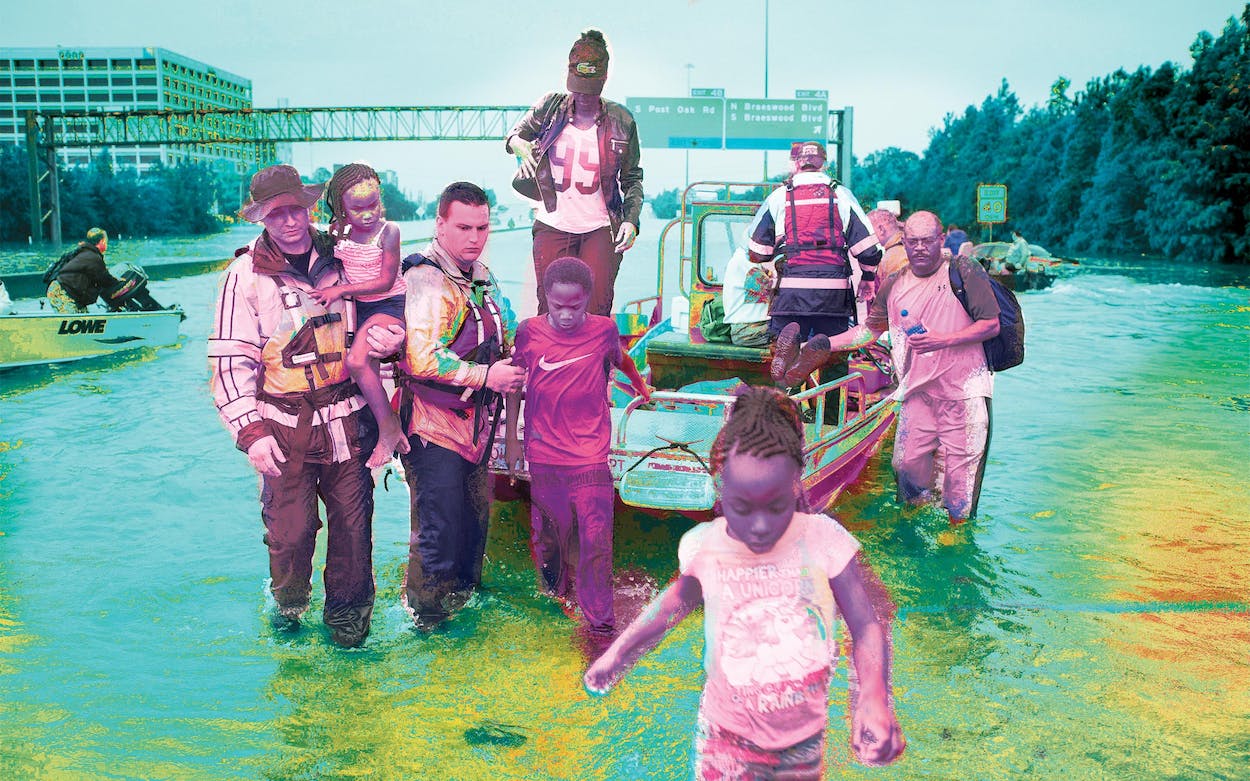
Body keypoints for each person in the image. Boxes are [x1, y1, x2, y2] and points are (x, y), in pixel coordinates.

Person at [584, 387, 905, 778]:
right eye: (741, 506)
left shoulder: (822, 538)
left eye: (773, 505)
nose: (757, 524)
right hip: (722, 739)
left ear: (795, 481)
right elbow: (671, 607)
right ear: (720, 487)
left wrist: (872, 696)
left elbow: (866, 625)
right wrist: (620, 654)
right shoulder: (706, 545)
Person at [208, 164, 378, 648]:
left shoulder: (346, 258)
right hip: (282, 431)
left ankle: (349, 627)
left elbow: (375, 331)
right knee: (292, 535)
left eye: (296, 209)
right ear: (261, 217)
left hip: (348, 423)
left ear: (308, 207)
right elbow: (229, 363)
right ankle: (289, 608)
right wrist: (251, 433)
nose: (289, 221)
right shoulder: (243, 276)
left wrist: (389, 419)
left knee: (354, 530)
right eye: (276, 213)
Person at [805, 211, 1000, 523]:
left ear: (940, 240)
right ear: (904, 242)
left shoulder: (964, 270)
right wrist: (825, 343)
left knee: (959, 487)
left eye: (926, 241)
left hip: (965, 395)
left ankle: (957, 551)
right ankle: (914, 535)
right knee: (905, 468)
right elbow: (869, 330)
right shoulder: (895, 282)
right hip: (916, 394)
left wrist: (942, 340)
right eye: (913, 242)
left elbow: (991, 324)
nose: (919, 248)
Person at [393, 181, 525, 631]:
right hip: (433, 429)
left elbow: (508, 332)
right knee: (437, 529)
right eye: (464, 227)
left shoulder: (482, 276)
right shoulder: (425, 280)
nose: (474, 237)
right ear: (441, 224)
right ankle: (425, 621)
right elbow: (422, 357)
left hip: (477, 427)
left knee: (473, 524)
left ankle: (465, 606)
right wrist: (489, 376)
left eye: (483, 227)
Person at [503, 256, 651, 635]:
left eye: (576, 306)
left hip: (590, 456)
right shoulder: (529, 332)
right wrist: (512, 438)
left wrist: (641, 389)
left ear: (588, 298)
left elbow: (624, 361)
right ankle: (551, 597)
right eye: (558, 306)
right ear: (545, 298)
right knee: (548, 535)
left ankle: (600, 620)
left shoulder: (603, 330)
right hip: (544, 455)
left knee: (596, 538)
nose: (566, 314)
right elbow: (515, 385)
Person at [506, 28, 644, 317]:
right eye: (576, 87)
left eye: (589, 89)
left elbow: (632, 179)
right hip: (552, 223)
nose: (582, 96)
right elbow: (515, 135)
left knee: (595, 309)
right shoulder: (549, 106)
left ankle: (595, 363)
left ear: (604, 80)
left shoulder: (622, 120)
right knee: (551, 309)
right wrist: (519, 145)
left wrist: (631, 222)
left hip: (600, 227)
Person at [745, 140, 882, 386]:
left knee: (781, 354)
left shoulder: (779, 196)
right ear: (824, 164)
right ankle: (831, 415)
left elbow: (757, 251)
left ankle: (786, 403)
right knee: (833, 352)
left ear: (795, 164)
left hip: (790, 293)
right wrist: (869, 278)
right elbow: (868, 249)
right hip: (833, 293)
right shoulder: (840, 194)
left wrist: (778, 246)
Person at [310, 163, 410, 470]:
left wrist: (341, 291)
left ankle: (389, 428)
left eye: (373, 205)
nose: (368, 215)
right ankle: (385, 433)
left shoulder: (388, 231)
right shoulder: (339, 231)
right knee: (361, 373)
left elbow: (385, 280)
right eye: (357, 209)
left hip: (387, 306)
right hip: (358, 311)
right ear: (341, 207)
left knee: (355, 361)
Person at [45, 227, 122, 313]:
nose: (106, 244)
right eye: (106, 241)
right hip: (61, 292)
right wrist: (120, 283)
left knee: (86, 320)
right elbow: (104, 278)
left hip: (67, 292)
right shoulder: (94, 258)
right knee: (74, 321)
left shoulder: (84, 252)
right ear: (101, 241)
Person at [721, 247, 774, 348]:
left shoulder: (744, 258)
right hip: (749, 331)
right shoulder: (746, 261)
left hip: (751, 328)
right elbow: (775, 288)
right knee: (801, 335)